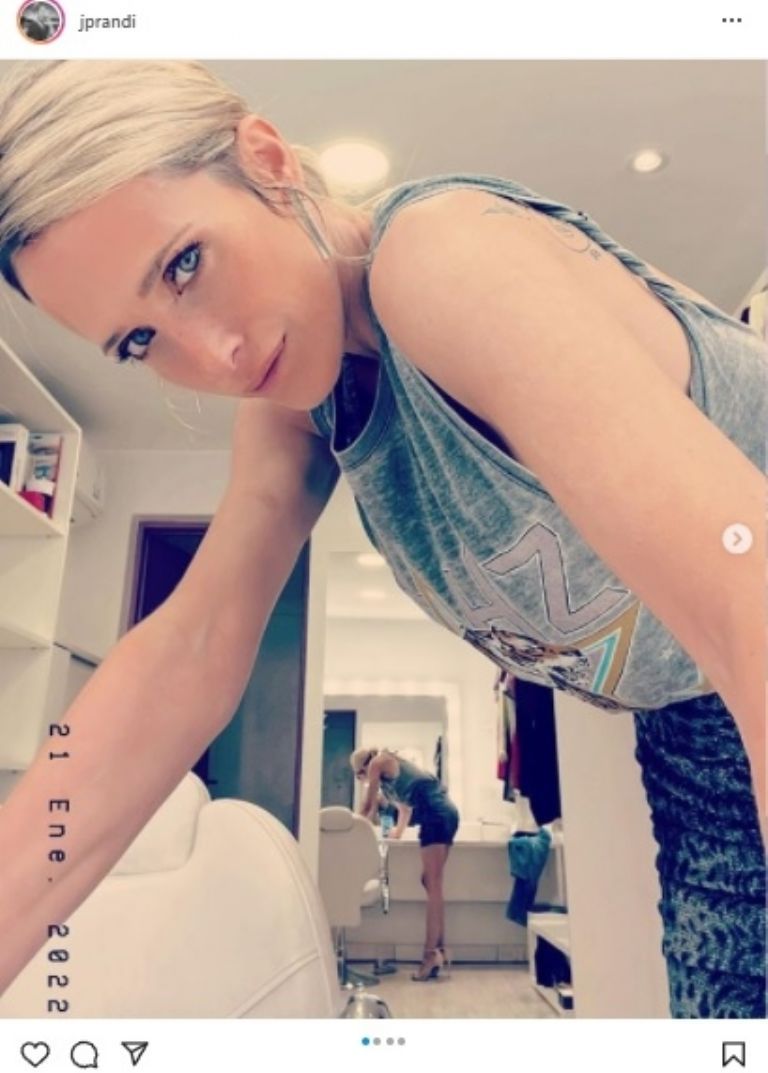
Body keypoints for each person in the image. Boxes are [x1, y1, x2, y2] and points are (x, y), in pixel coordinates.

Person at [0, 60, 764, 1017]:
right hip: (693, 729)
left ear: (266, 162)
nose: (215, 357)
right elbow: (186, 654)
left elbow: (748, 595)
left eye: (186, 264)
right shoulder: (297, 411)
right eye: (141, 342)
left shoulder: (442, 256)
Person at [351, 746, 460, 980]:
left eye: (360, 776)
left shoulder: (378, 762)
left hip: (435, 814)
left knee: (433, 884)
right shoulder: (391, 779)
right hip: (446, 812)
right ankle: (440, 951)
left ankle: (430, 956)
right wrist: (397, 832)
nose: (363, 780)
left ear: (363, 768)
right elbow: (404, 809)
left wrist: (352, 830)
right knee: (431, 883)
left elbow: (368, 806)